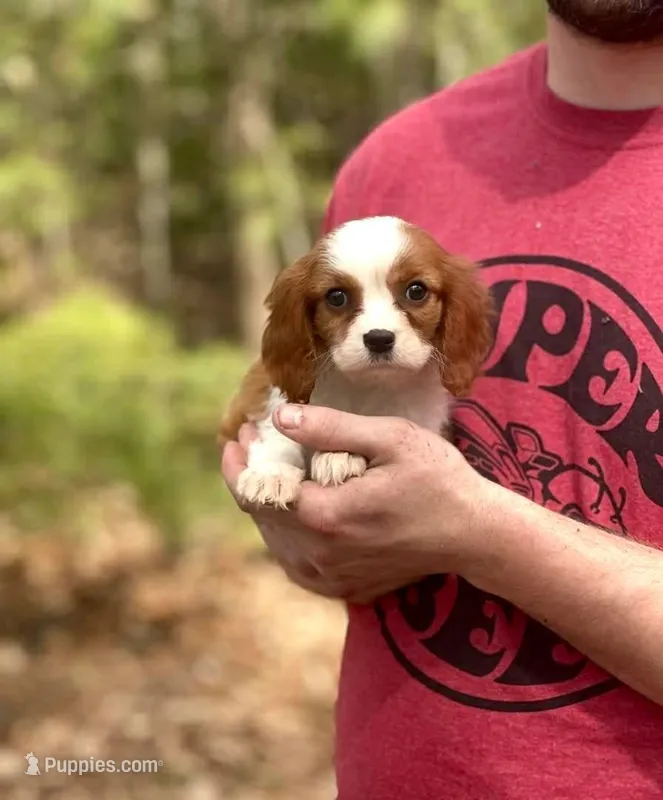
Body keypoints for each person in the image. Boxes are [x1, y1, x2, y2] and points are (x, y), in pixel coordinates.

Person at [222, 2, 663, 797]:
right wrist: (302, 534)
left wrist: (478, 531)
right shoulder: (392, 159)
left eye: (412, 296)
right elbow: (296, 410)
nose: (379, 325)